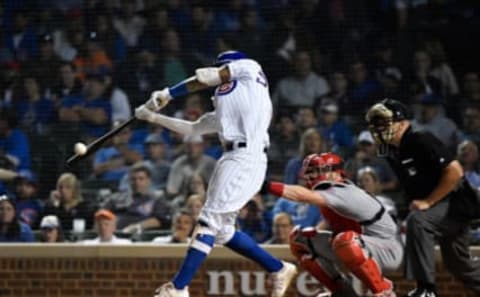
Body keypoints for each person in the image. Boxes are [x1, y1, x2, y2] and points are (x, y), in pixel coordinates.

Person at [135, 50, 297, 297]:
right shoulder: (231, 104)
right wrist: (152, 117)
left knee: (208, 221)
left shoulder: (249, 67)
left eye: (223, 68)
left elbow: (207, 76)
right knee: (223, 231)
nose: (221, 73)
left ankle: (178, 287)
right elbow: (192, 129)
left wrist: (167, 94)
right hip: (232, 157)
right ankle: (278, 268)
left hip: (246, 156)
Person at [365, 98, 480, 296]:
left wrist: (428, 202)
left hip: (455, 202)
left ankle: (426, 289)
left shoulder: (420, 138)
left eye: (383, 122)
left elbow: (455, 171)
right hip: (438, 208)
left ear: (401, 122)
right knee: (459, 265)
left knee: (417, 221)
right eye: (374, 124)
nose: (378, 128)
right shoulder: (389, 150)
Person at [261, 152, 403, 297]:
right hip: (361, 245)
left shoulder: (342, 190)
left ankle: (383, 291)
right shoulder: (329, 191)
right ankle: (342, 293)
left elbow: (300, 195)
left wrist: (265, 185)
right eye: (309, 172)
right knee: (300, 239)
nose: (311, 176)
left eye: (317, 171)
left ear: (335, 173)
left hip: (388, 249)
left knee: (345, 240)